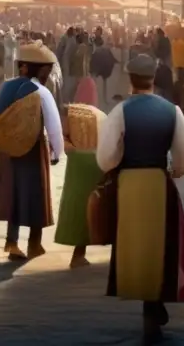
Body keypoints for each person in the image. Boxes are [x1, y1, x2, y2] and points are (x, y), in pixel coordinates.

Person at [97, 54, 184, 344]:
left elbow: (105, 158)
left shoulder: (120, 111)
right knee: (161, 245)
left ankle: (148, 304)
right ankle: (154, 305)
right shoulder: (172, 111)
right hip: (158, 183)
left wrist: (119, 164)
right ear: (154, 78)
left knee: (134, 246)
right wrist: (174, 171)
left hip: (129, 184)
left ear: (130, 79)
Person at [0, 43, 63, 261]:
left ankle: (11, 242)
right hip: (34, 148)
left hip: (9, 150)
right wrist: (56, 153)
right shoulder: (41, 92)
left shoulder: (6, 87)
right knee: (35, 195)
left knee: (13, 192)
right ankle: (35, 244)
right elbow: (54, 126)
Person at [53, 104, 105, 268]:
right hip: (99, 160)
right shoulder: (94, 116)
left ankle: (78, 254)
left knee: (80, 205)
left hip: (84, 162)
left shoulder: (72, 120)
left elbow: (61, 139)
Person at [90, 36, 118, 108]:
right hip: (106, 70)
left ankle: (95, 101)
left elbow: (93, 62)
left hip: (97, 70)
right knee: (104, 84)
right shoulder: (106, 50)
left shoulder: (96, 52)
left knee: (94, 84)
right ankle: (104, 99)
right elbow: (113, 59)